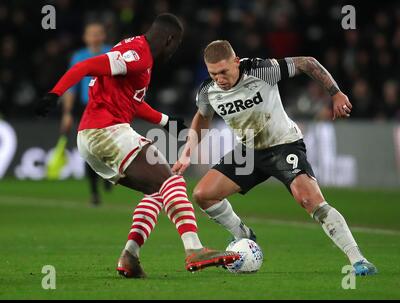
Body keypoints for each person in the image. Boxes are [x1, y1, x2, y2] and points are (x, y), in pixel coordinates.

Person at [35, 15, 239, 278]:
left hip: (91, 137)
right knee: (172, 182)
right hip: (107, 130)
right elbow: (86, 66)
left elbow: (131, 100)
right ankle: (194, 249)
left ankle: (129, 257)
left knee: (157, 192)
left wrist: (165, 120)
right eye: (176, 45)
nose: (174, 51)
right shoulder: (137, 55)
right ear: (169, 40)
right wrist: (55, 93)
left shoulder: (136, 54)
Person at [172, 40, 377, 276]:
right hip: (249, 151)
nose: (219, 78)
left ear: (236, 62)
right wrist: (188, 150)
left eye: (224, 72)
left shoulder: (261, 70)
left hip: (283, 146)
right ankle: (243, 236)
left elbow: (307, 63)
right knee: (203, 195)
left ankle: (357, 258)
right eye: (213, 73)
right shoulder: (208, 91)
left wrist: (336, 93)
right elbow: (203, 116)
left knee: (309, 200)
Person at [58, 21, 113, 206]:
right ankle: (94, 191)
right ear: (85, 37)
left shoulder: (112, 52)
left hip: (110, 106)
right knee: (88, 149)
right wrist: (67, 113)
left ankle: (107, 175)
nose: (95, 37)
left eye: (98, 33)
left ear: (103, 35)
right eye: (92, 33)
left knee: (110, 147)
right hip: (88, 108)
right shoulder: (79, 56)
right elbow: (71, 87)